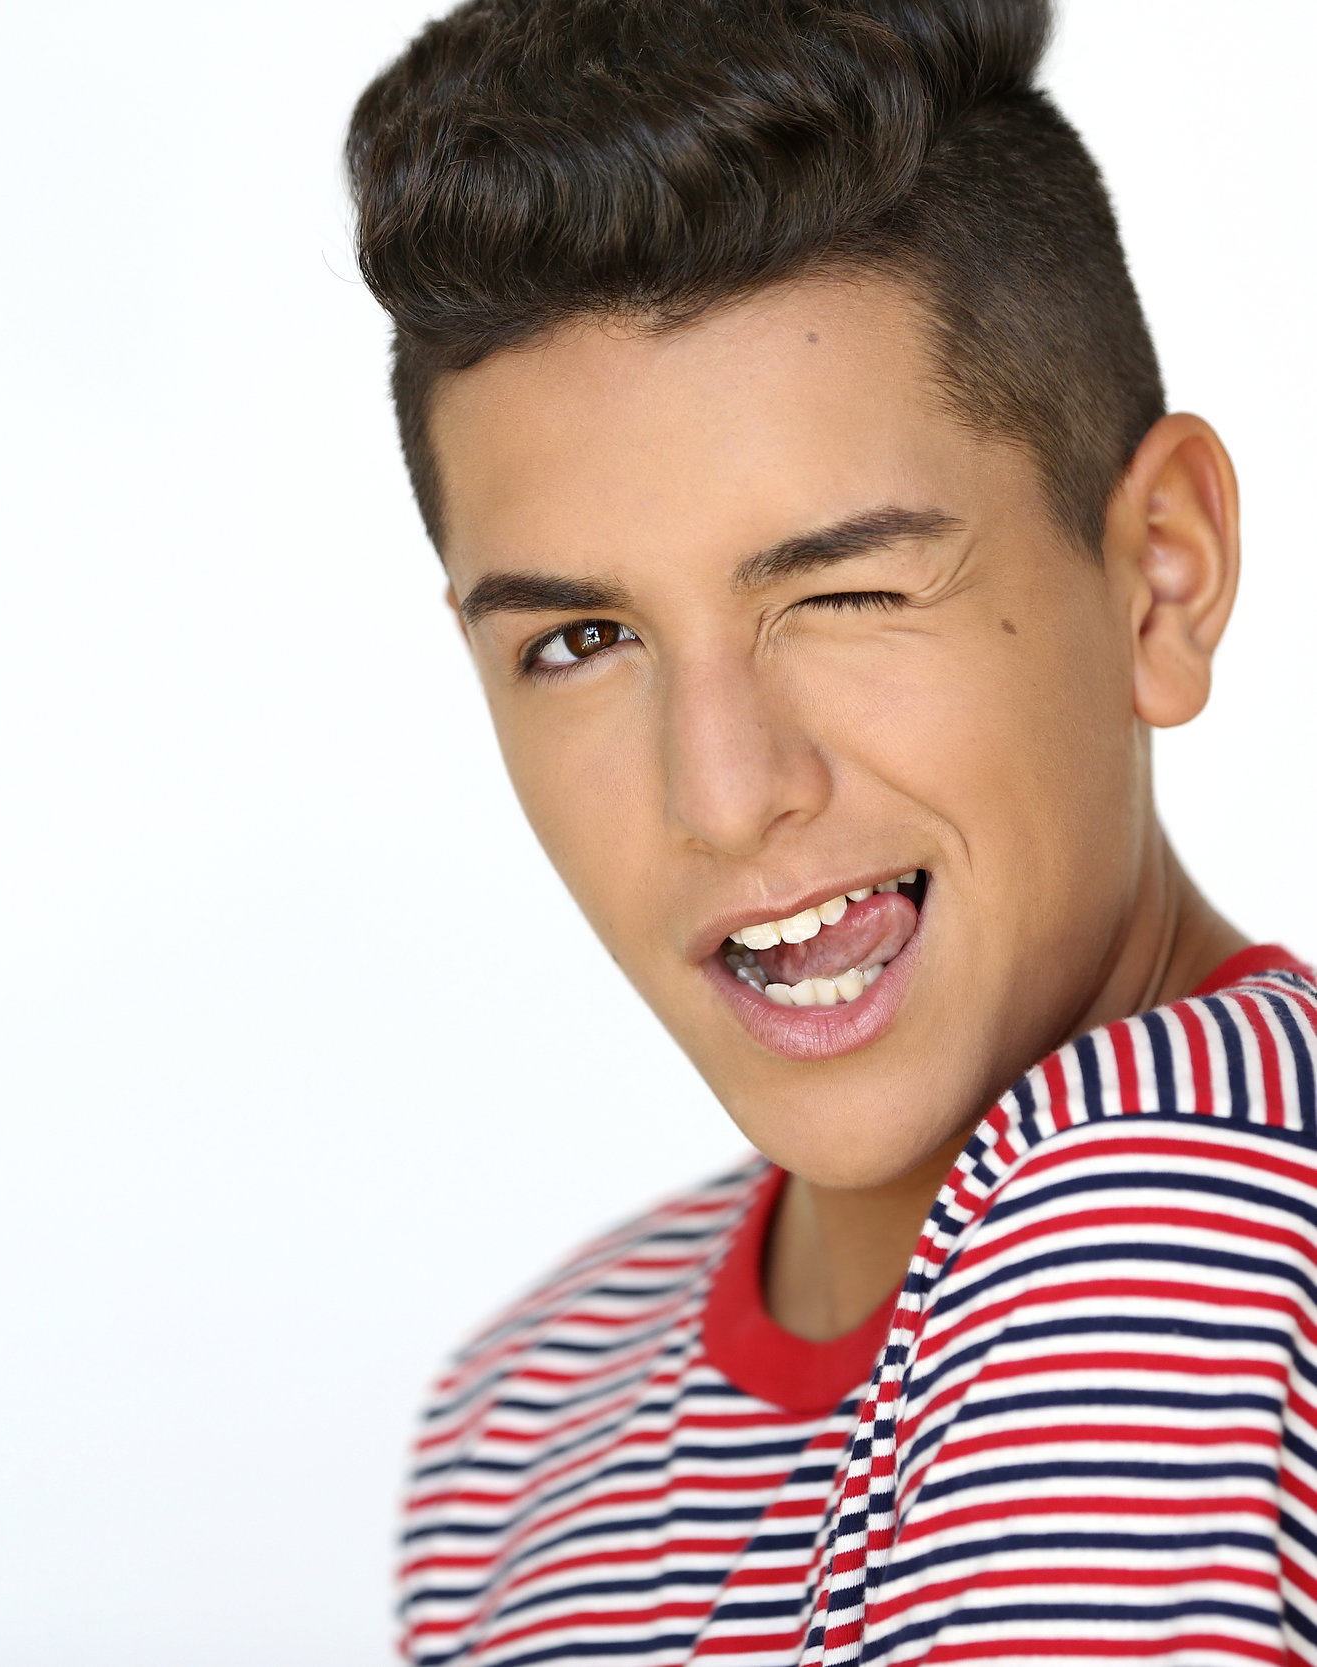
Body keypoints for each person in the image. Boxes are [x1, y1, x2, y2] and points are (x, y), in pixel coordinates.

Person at [344, 3, 1317, 1664]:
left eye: (847, 589)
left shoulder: (1177, 1197)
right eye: (579, 642)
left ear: (1161, 568)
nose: (723, 792)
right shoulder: (514, 1426)